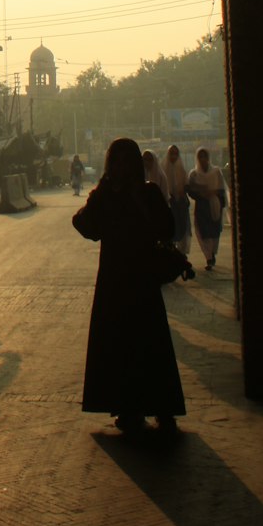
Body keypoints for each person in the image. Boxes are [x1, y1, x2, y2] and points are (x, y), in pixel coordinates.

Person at [73, 136, 186, 437]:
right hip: (142, 279)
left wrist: (100, 194)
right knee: (150, 342)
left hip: (117, 279)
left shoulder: (109, 195)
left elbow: (84, 225)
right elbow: (167, 228)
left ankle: (128, 406)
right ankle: (160, 405)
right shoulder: (145, 193)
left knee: (121, 342)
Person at [187, 146, 228, 271]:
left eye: (205, 156)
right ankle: (208, 257)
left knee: (214, 232)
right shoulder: (193, 174)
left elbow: (222, 189)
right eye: (200, 156)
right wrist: (202, 194)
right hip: (202, 207)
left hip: (215, 206)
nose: (203, 159)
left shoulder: (216, 172)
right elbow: (190, 191)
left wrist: (214, 194)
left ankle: (212, 254)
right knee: (203, 232)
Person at [160, 143, 191, 256]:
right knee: (171, 227)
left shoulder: (182, 168)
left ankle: (182, 252)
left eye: (175, 153)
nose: (173, 156)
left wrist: (183, 190)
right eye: (171, 153)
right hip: (169, 203)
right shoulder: (162, 169)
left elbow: (187, 183)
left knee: (183, 227)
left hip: (181, 202)